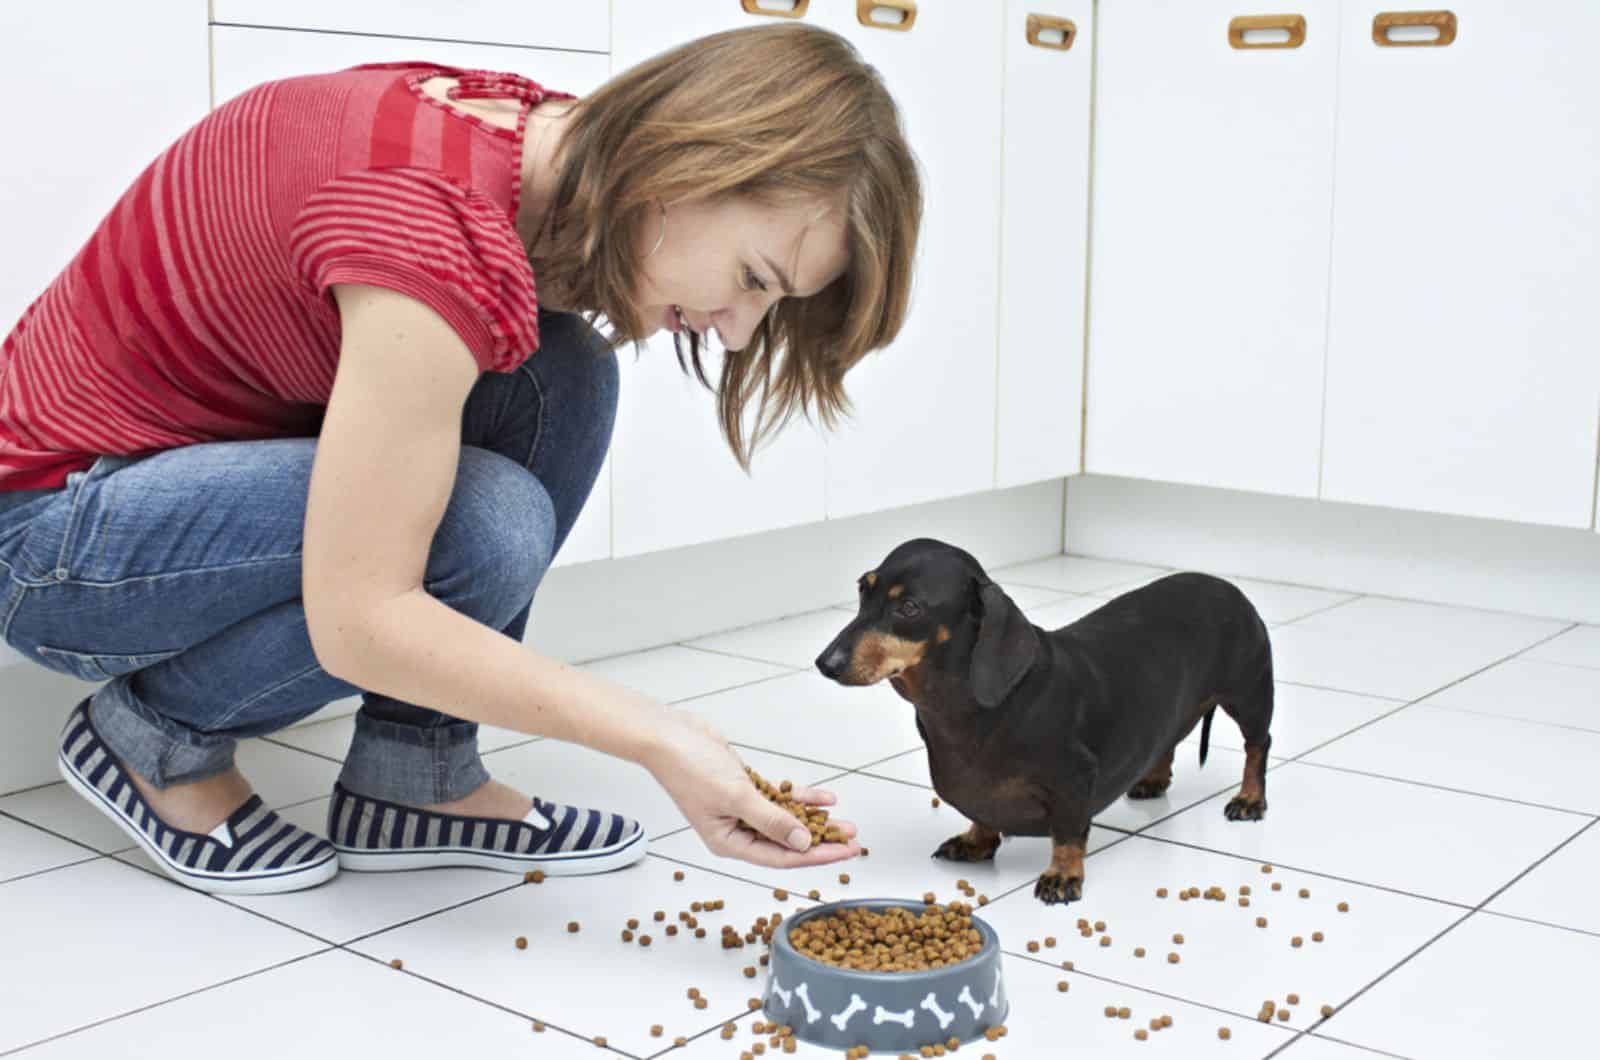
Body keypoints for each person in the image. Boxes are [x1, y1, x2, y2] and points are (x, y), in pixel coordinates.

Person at [0, 22, 922, 896]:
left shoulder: (540, 147)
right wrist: (661, 738)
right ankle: (156, 736)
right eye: (754, 279)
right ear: (690, 160)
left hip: (173, 475)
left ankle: (416, 775)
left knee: (561, 366)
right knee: (483, 525)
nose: (736, 334)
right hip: (51, 535)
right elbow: (363, 618)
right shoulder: (430, 228)